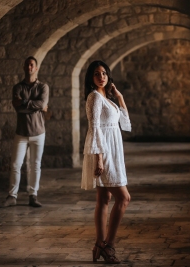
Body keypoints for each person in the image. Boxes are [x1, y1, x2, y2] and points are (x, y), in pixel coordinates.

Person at [82, 60, 131, 264]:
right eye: (96, 74)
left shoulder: (108, 98)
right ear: (91, 78)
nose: (101, 76)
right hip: (104, 152)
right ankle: (108, 245)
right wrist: (99, 158)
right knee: (124, 198)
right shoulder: (94, 97)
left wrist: (119, 96)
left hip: (114, 149)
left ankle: (98, 244)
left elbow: (125, 123)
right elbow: (94, 128)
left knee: (104, 199)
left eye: (104, 73)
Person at [0, 56, 49, 208]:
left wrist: (26, 102)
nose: (29, 67)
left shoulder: (43, 87)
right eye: (27, 64)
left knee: (35, 165)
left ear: (36, 68)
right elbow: (18, 106)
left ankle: (33, 195)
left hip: (38, 132)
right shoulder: (17, 87)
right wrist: (36, 105)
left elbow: (43, 103)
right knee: (15, 164)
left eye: (32, 65)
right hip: (21, 132)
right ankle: (12, 196)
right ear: (24, 67)